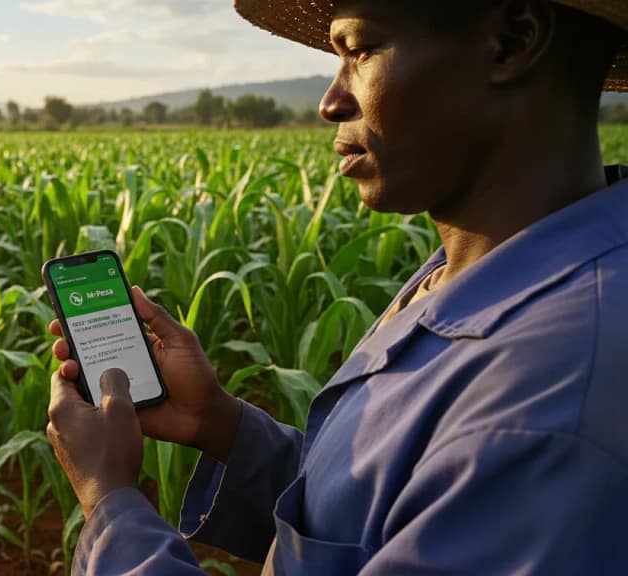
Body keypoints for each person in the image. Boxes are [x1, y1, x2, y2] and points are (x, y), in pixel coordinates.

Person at [45, 0, 628, 573]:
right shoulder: (481, 272)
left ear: (512, 40)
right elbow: (382, 509)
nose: (330, 101)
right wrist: (216, 423)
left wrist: (110, 503)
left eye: (360, 50)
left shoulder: (552, 405)